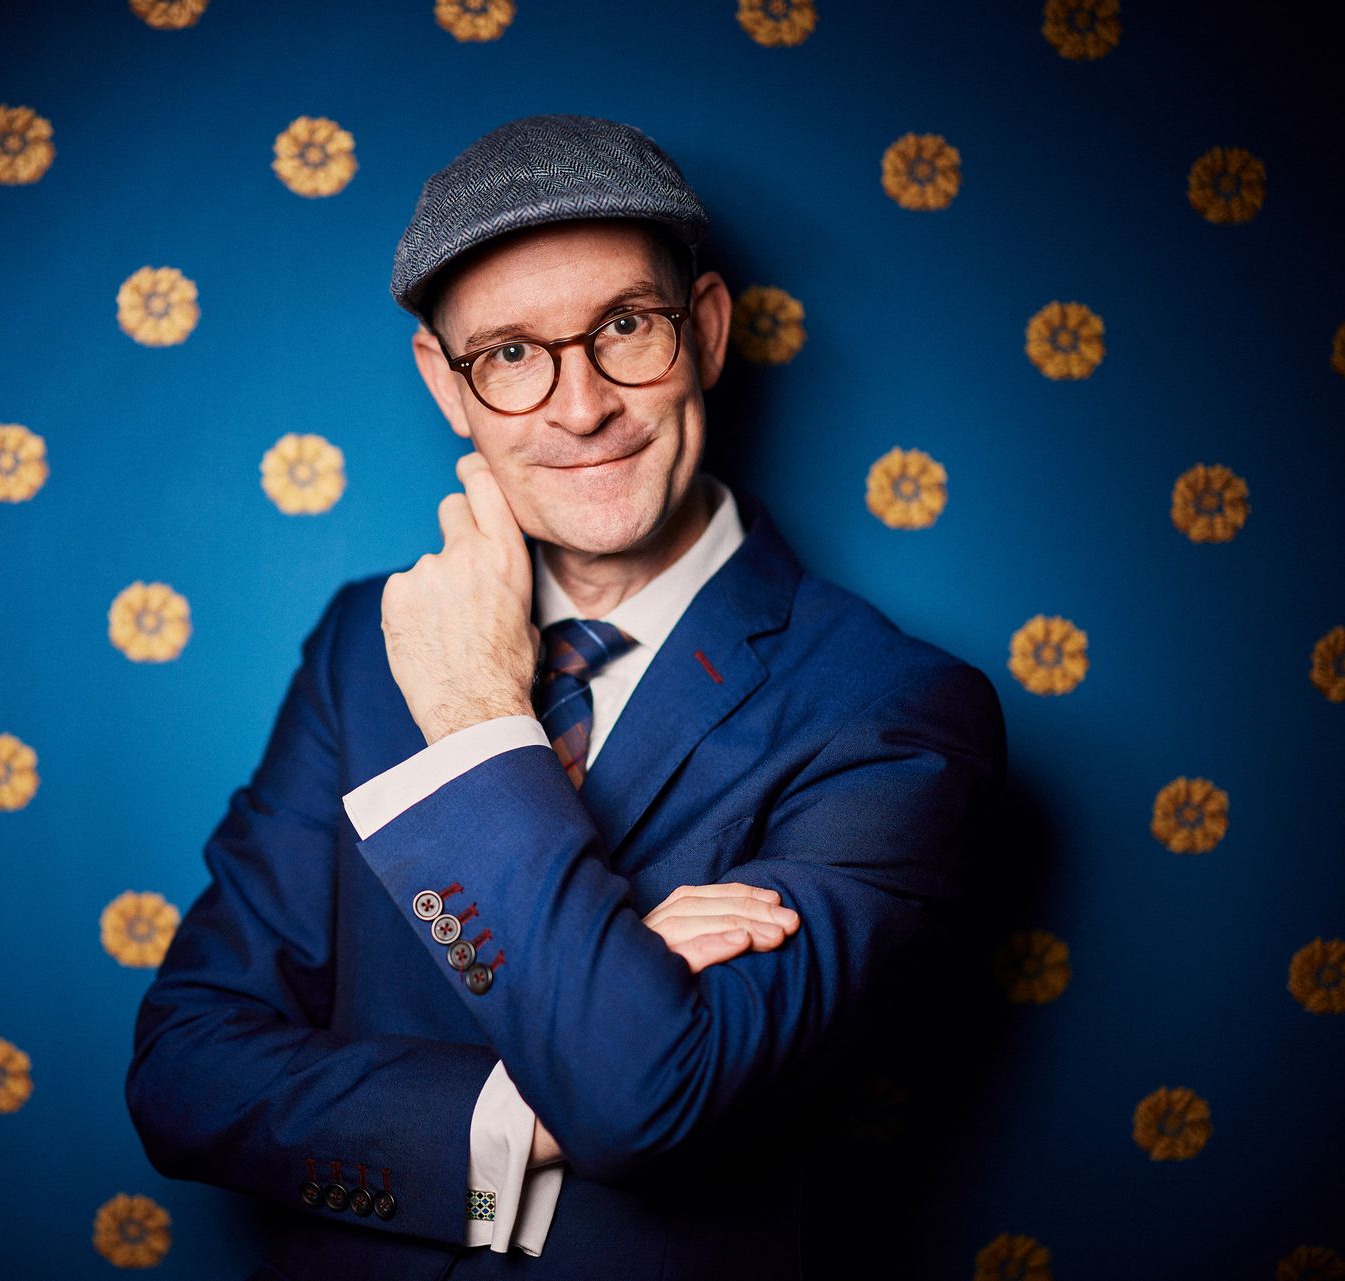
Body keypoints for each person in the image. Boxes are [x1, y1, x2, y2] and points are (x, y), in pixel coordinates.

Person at [126, 114, 1007, 1281]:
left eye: (625, 327)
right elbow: (184, 1072)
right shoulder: (363, 644)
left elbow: (647, 1100)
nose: (580, 407)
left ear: (706, 330)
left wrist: (480, 725)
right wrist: (543, 1080)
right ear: (447, 385)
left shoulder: (896, 715)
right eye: (509, 353)